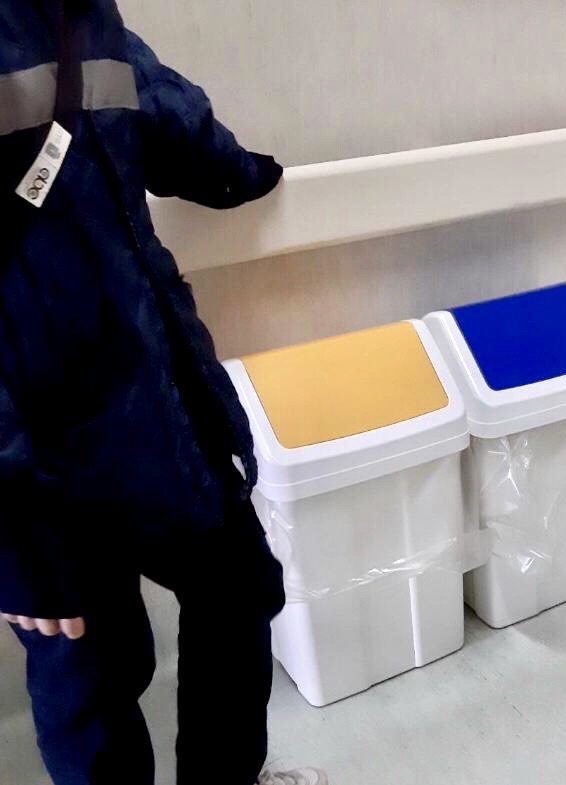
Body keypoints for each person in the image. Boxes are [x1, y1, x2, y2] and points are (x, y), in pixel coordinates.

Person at [1, 2, 324, 784]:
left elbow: (159, 114)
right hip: (36, 464)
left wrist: (238, 170)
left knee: (237, 586)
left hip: (152, 413)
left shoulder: (81, 15)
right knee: (94, 677)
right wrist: (14, 536)